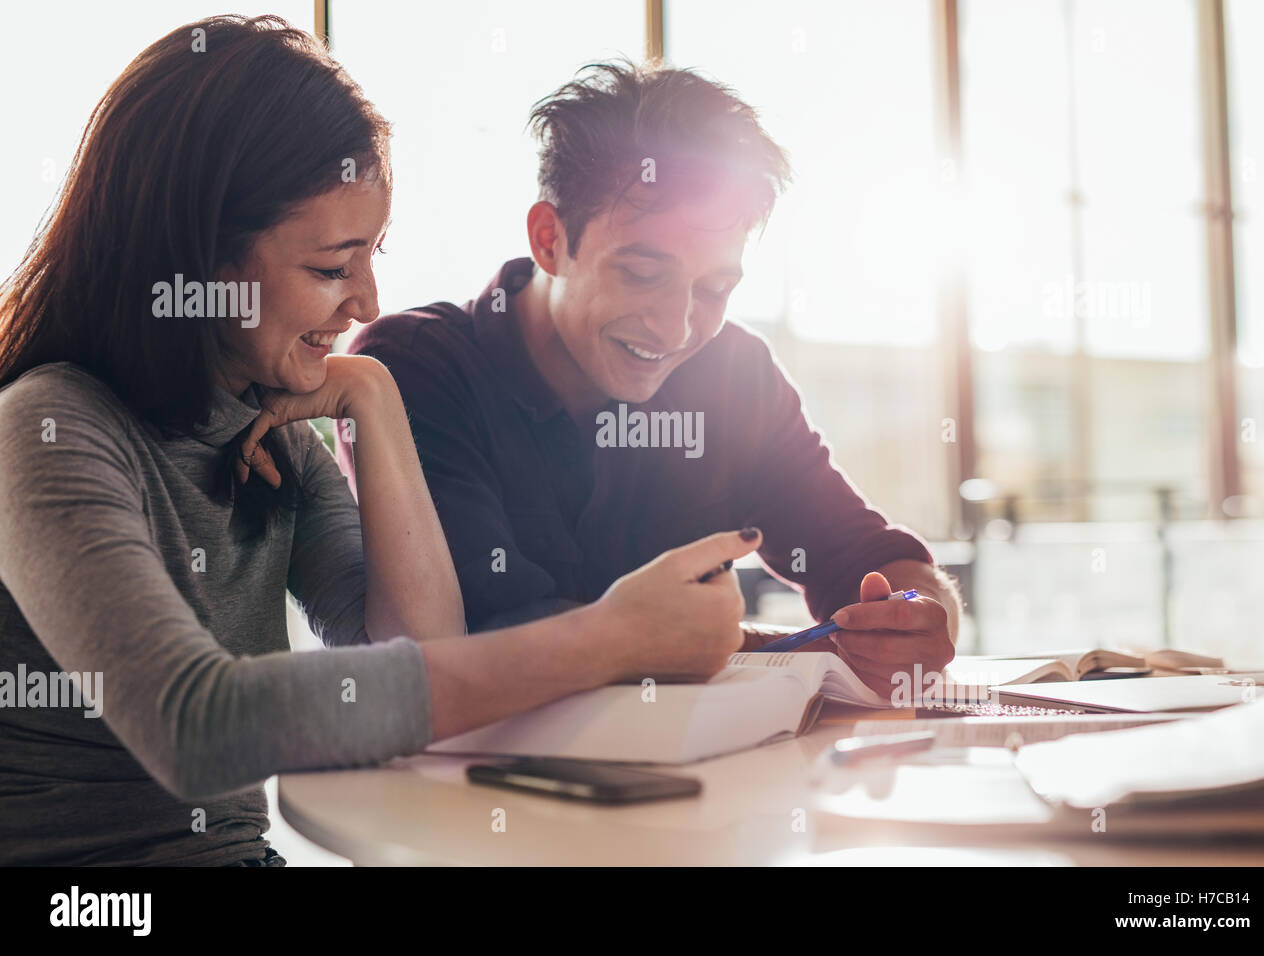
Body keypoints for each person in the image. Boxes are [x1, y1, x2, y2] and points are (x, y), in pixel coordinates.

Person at [0, 18, 756, 867]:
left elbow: (418, 665)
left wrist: (375, 396)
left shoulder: (278, 439)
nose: (366, 301)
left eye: (371, 257)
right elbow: (195, 726)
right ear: (196, 259)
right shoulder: (47, 427)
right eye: (331, 267)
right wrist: (611, 638)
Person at [344, 62, 961, 696]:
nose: (675, 329)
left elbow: (868, 553)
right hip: (461, 787)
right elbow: (477, 634)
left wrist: (917, 614)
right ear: (550, 239)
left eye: (714, 289)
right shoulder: (415, 367)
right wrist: (736, 642)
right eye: (642, 275)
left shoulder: (734, 374)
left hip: (709, 784)